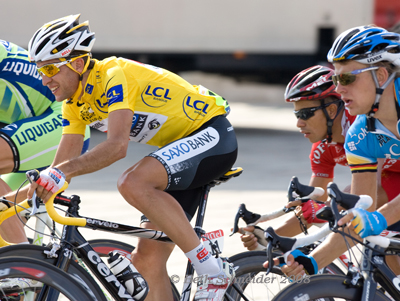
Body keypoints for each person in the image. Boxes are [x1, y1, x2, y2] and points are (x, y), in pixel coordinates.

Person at [24, 14, 238, 301]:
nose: (44, 78)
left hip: (211, 134)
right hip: (179, 154)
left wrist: (61, 173)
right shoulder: (74, 103)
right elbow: (58, 171)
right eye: (39, 70)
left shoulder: (113, 74)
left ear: (77, 63)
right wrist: (13, 201)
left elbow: (116, 147)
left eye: (50, 68)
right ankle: (203, 257)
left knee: (132, 182)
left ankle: (212, 270)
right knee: (147, 261)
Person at [275, 25, 400, 279]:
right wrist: (312, 262)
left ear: (382, 75)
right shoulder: (359, 135)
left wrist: (378, 219)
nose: (338, 89)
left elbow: (375, 217)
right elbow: (363, 212)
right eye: (335, 78)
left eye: (347, 78)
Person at [240, 65, 400, 251]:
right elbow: (313, 207)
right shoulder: (322, 149)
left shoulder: (360, 124)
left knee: (352, 202)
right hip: (390, 191)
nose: (299, 123)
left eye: (305, 114)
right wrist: (270, 238)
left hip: (389, 190)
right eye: (296, 115)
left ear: (331, 111)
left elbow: (373, 193)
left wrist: (329, 209)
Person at [0, 40, 90, 244]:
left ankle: (22, 266)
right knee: (5, 218)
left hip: (60, 122)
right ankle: (34, 267)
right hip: (27, 134)